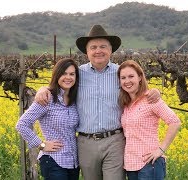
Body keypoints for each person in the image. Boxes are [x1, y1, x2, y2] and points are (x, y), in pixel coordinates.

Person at [35, 24, 161, 180]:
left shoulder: (120, 73)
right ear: (87, 51)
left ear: (110, 50)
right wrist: (43, 89)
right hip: (86, 143)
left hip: (115, 141)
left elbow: (138, 87)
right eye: (93, 47)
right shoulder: (78, 73)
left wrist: (155, 91)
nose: (98, 51)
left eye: (103, 46)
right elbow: (60, 85)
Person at [16, 58, 80, 180]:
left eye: (72, 74)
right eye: (64, 73)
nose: (68, 77)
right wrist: (41, 144)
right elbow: (22, 124)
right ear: (56, 75)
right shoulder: (47, 98)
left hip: (73, 163)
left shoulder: (74, 100)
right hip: (54, 161)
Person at [118, 60, 181, 180]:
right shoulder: (125, 104)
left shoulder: (151, 99)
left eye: (131, 76)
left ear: (140, 77)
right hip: (131, 165)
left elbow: (175, 122)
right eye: (123, 78)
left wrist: (161, 149)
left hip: (149, 163)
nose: (127, 81)